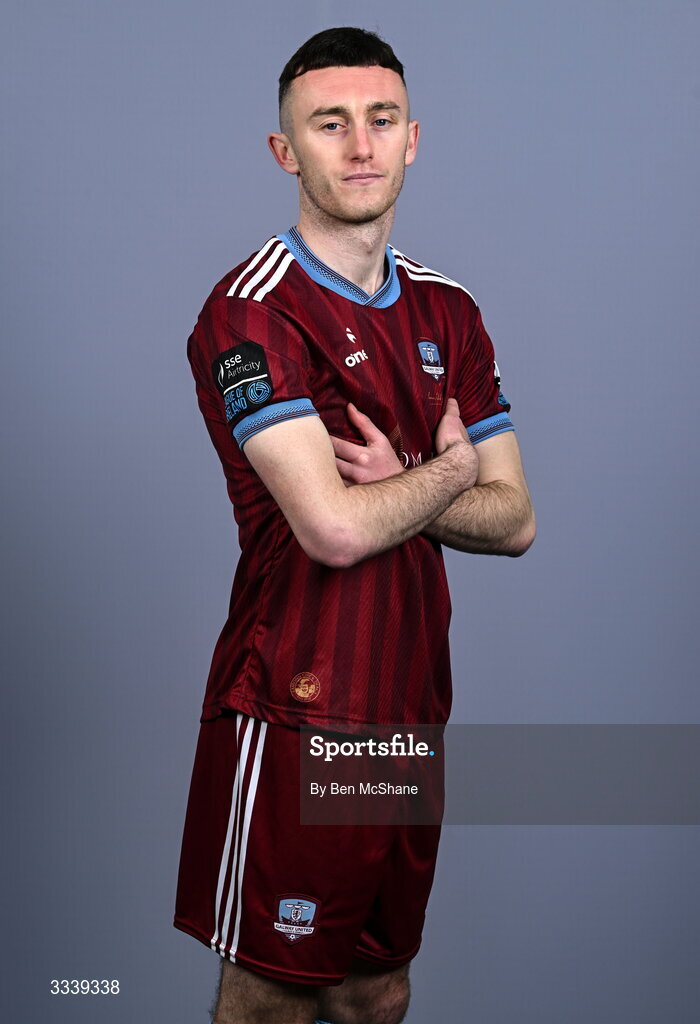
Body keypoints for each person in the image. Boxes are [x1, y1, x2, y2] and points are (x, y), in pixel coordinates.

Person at [174, 25, 535, 1024]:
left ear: (412, 138)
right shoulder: (249, 314)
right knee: (270, 1000)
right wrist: (451, 467)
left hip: (407, 711)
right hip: (297, 708)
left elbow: (514, 521)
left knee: (377, 990)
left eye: (379, 121)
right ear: (285, 151)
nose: (360, 145)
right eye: (329, 125)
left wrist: (417, 478)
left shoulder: (446, 311)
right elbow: (332, 529)